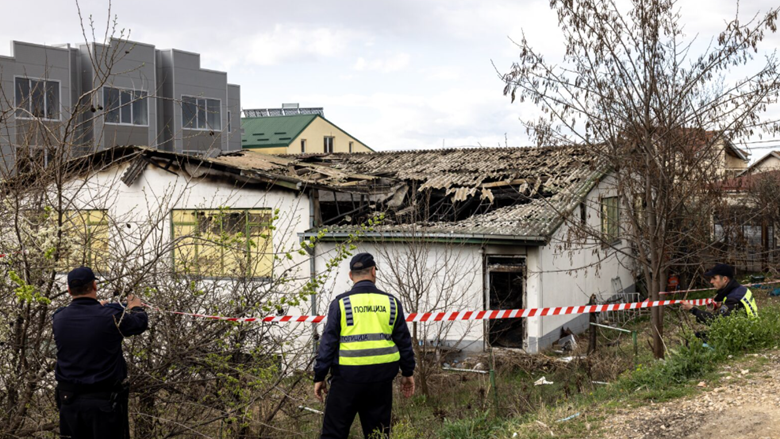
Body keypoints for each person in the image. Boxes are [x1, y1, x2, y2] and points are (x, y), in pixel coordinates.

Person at [313, 253, 416, 439]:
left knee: (333, 434)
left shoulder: (341, 303)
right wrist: (408, 373)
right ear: (374, 271)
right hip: (381, 380)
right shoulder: (392, 303)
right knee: (378, 434)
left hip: (346, 379)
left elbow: (328, 344)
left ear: (351, 275)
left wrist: (319, 375)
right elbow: (404, 342)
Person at [53, 267, 149, 439]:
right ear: (94, 286)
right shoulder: (111, 316)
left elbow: (74, 314)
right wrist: (136, 307)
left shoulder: (59, 318)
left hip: (68, 402)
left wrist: (99, 307)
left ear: (69, 290)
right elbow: (139, 324)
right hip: (103, 404)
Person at [681, 263, 758, 324]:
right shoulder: (742, 289)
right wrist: (722, 306)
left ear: (725, 279)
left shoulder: (733, 299)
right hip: (750, 328)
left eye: (714, 278)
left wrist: (692, 310)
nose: (711, 281)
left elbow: (716, 322)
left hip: (744, 337)